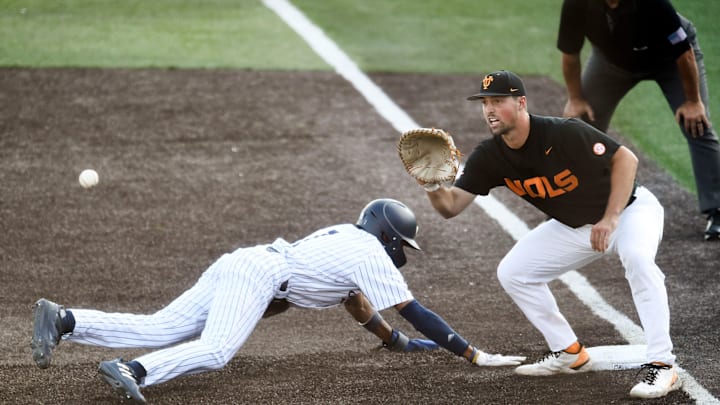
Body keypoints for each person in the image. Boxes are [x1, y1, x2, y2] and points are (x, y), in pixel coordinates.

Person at [30, 198, 525, 404]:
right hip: (262, 274)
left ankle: (66, 320)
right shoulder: (371, 250)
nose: (402, 254)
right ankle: (135, 372)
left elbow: (354, 300)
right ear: (390, 236)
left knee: (163, 325)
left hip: (246, 263)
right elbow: (415, 309)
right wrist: (471, 353)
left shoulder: (347, 241)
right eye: (404, 244)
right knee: (217, 350)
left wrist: (395, 342)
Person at [418, 70, 680, 399]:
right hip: (576, 226)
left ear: (521, 103)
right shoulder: (490, 156)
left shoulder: (563, 133)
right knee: (514, 272)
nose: (489, 110)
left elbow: (626, 160)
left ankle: (662, 365)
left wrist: (611, 219)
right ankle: (569, 352)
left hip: (629, 211)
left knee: (638, 259)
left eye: (497, 101)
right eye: (485, 103)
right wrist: (430, 185)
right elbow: (451, 206)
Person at [557, 0, 720, 241]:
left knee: (697, 124)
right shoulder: (577, 3)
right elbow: (570, 54)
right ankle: (573, 204)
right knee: (581, 126)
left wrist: (694, 102)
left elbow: (683, 52)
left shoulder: (653, 4)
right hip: (613, 63)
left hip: (670, 61)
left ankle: (717, 209)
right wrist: (576, 97)